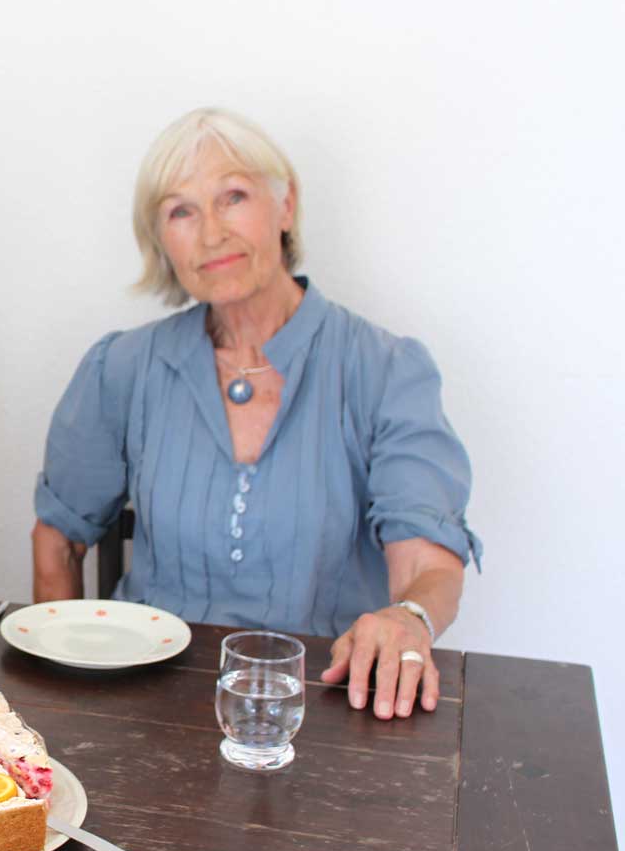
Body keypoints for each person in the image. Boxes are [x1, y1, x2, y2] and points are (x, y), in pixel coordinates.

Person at [32, 108, 480, 721]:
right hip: (147, 705)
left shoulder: (384, 369)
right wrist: (62, 699)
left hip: (325, 703)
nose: (210, 233)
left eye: (233, 197)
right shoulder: (123, 367)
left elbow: (428, 562)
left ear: (285, 206)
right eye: (180, 211)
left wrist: (410, 616)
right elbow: (57, 537)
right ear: (162, 239)